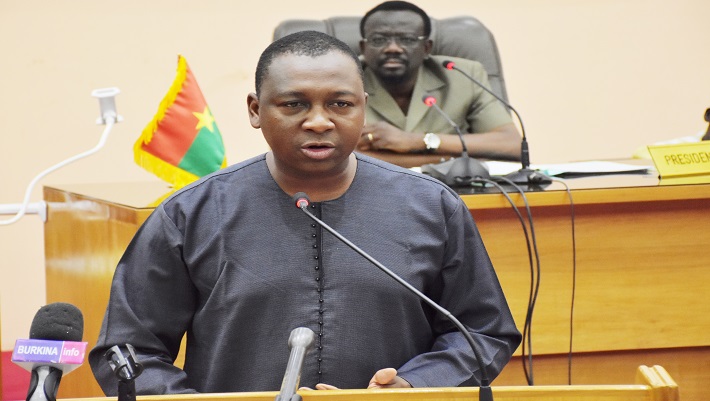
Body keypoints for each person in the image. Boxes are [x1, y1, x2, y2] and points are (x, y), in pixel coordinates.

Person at [89, 30, 521, 394]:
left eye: (340, 104)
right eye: (294, 104)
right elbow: (126, 352)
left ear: (363, 107)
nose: (318, 121)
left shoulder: (432, 206)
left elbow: (483, 331)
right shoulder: (190, 214)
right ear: (256, 110)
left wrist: (415, 385)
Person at [357, 1, 522, 168]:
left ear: (427, 48)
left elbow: (512, 144)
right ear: (363, 48)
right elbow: (349, 157)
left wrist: (418, 141)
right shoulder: (346, 79)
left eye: (407, 39)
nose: (393, 48)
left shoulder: (462, 75)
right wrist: (451, 160)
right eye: (379, 40)